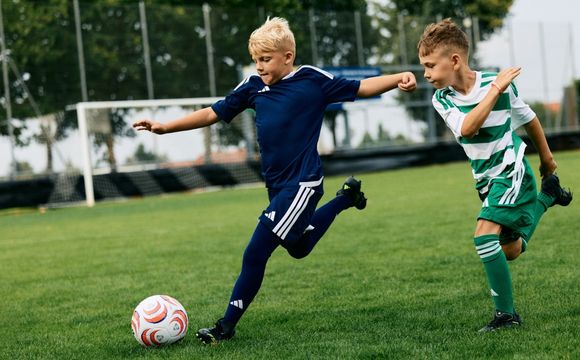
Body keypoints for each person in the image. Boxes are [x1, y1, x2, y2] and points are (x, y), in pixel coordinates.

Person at [133, 17, 417, 344]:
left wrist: (399, 78)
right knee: (298, 247)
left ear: (288, 56)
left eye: (266, 59)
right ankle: (346, 198)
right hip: (277, 186)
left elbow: (359, 87)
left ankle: (225, 327)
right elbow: (213, 112)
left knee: (256, 251)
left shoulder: (311, 79)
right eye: (256, 60)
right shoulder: (253, 86)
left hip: (303, 183)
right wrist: (164, 127)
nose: (260, 66)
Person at [417, 19, 572, 332]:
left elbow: (529, 120)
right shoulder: (443, 99)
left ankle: (507, 316)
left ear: (455, 60)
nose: (426, 74)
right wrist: (496, 88)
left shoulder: (497, 83)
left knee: (483, 234)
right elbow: (467, 127)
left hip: (511, 171)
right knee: (509, 251)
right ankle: (547, 198)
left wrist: (547, 160)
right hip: (485, 180)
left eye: (430, 65)